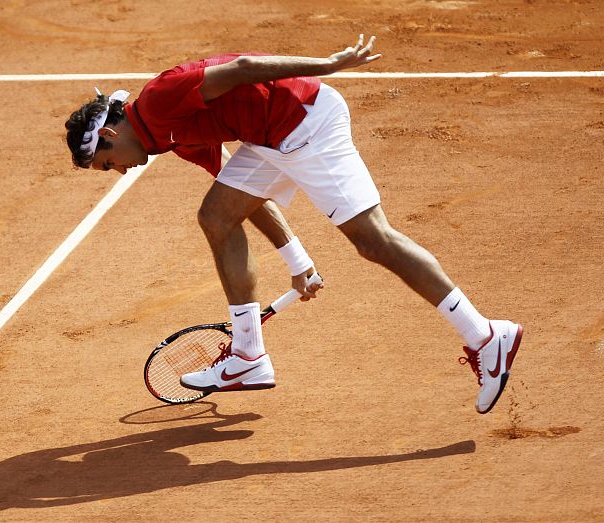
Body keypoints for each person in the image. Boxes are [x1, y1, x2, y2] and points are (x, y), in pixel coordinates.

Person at [64, 35, 523, 414]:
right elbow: (245, 199)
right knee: (217, 217)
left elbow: (243, 66)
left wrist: (327, 64)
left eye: (107, 165)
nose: (119, 171)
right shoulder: (166, 136)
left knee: (373, 240)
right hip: (269, 137)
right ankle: (248, 356)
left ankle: (485, 336)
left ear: (108, 135)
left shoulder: (161, 102)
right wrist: (297, 260)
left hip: (306, 124)